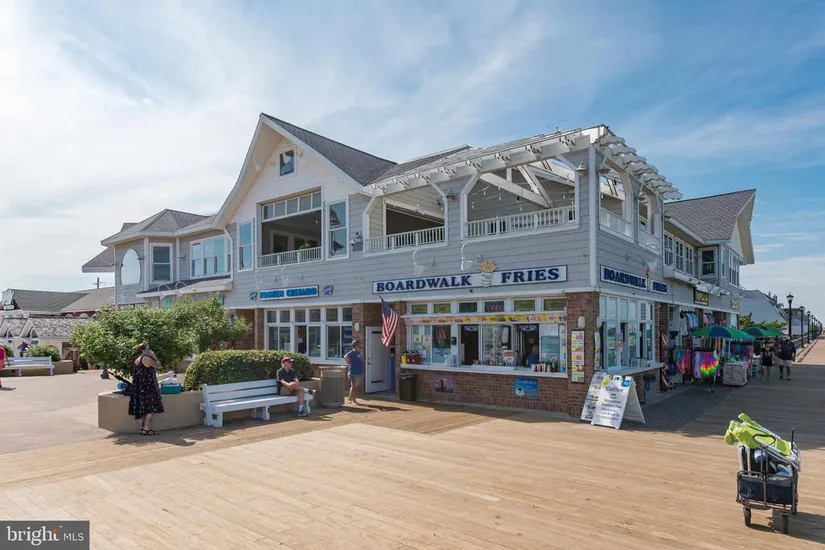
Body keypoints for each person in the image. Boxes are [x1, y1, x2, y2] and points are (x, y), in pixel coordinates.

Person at [129, 343, 165, 435]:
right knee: (151, 407)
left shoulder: (137, 360)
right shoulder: (146, 359)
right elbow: (159, 365)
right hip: (148, 387)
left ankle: (141, 429)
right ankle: (147, 429)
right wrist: (154, 356)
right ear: (145, 350)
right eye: (149, 349)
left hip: (139, 387)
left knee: (141, 408)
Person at [344, 340, 364, 405]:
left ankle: (349, 398)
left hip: (358, 372)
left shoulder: (359, 353)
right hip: (353, 372)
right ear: (355, 346)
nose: (360, 346)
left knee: (354, 386)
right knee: (353, 386)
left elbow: (360, 361)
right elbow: (345, 357)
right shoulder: (352, 352)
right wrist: (349, 364)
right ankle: (354, 400)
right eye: (359, 345)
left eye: (360, 345)